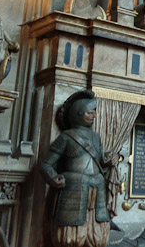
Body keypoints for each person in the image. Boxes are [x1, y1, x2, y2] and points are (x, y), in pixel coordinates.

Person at [39, 90, 118, 247]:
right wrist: (54, 178)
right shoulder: (66, 137)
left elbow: (98, 162)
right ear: (78, 113)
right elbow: (45, 164)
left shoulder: (96, 137)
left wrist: (109, 160)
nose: (94, 116)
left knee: (97, 238)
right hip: (74, 190)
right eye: (90, 112)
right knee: (70, 238)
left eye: (94, 112)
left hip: (97, 192)